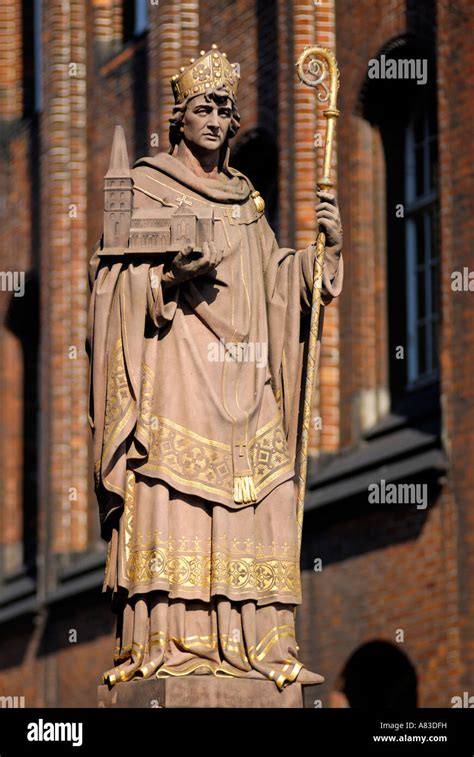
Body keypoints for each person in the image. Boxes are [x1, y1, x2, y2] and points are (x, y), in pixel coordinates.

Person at [86, 44, 343, 691]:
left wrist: (314, 264)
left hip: (246, 380)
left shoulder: (245, 200)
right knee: (175, 494)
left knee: (271, 491)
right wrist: (170, 276)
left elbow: (272, 283)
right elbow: (112, 283)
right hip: (177, 374)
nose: (214, 119)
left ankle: (264, 646)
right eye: (202, 107)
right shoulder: (147, 184)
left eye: (224, 110)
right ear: (180, 117)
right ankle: (173, 642)